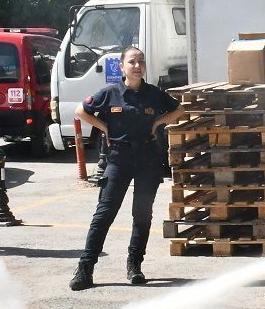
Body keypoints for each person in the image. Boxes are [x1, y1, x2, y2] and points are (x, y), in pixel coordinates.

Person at [70, 47, 182, 290]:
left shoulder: (154, 94)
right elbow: (81, 111)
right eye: (132, 62)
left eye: (141, 61)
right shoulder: (110, 93)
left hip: (146, 158)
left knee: (141, 215)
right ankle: (85, 268)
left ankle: (134, 265)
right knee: (104, 214)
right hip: (118, 158)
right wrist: (105, 128)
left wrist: (159, 123)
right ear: (122, 67)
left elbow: (178, 110)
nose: (137, 65)